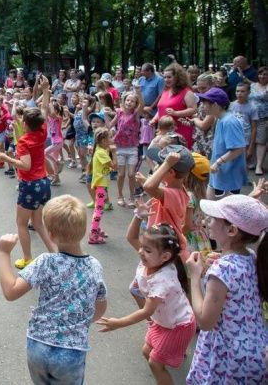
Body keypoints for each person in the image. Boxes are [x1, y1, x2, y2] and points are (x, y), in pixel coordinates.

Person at [0, 195, 107, 384]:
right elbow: (100, 305)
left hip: (38, 346)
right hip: (71, 353)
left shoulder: (46, 262)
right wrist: (82, 321)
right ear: (83, 230)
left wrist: (4, 252)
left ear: (51, 234)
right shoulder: (95, 266)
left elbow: (11, 292)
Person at [186, 195, 268, 384]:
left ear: (232, 230)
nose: (208, 221)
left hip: (227, 357)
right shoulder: (252, 256)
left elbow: (205, 321)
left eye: (214, 218)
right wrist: (221, 259)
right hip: (256, 351)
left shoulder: (222, 269)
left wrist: (195, 277)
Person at [100, 221, 195, 385]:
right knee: (146, 351)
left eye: (147, 249)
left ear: (165, 256)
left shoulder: (163, 279)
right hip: (164, 321)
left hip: (178, 325)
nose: (140, 251)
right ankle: (176, 352)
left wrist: (118, 323)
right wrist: (138, 217)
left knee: (155, 363)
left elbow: (146, 311)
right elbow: (131, 237)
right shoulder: (152, 260)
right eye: (142, 247)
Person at [0, 102, 57, 269]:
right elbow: (43, 110)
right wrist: (45, 92)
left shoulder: (24, 142)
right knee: (37, 223)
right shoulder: (42, 132)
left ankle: (28, 258)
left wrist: (5, 158)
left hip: (30, 185)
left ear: (26, 124)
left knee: (21, 223)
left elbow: (25, 165)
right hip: (44, 183)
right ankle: (56, 254)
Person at [197, 87, 247, 199]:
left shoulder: (229, 122)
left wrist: (219, 162)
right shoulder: (220, 119)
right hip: (221, 170)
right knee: (211, 198)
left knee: (226, 205)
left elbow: (238, 148)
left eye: (205, 103)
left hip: (229, 171)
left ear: (215, 105)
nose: (203, 106)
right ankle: (210, 217)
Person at [151, 63, 197, 149]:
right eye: (164, 77)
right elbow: (161, 108)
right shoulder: (165, 90)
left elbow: (193, 109)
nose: (166, 80)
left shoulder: (186, 91)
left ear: (177, 77)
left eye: (169, 77)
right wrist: (154, 119)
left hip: (179, 132)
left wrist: (176, 113)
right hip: (163, 131)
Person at [111, 88, 143, 208]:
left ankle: (132, 197)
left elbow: (142, 105)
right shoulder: (119, 112)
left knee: (131, 174)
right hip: (119, 147)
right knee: (120, 174)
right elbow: (111, 124)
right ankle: (120, 196)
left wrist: (139, 94)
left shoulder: (135, 114)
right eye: (127, 100)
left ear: (136, 104)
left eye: (132, 101)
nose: (129, 102)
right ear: (124, 101)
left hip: (132, 148)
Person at [88, 128, 117, 244]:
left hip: (101, 184)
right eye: (109, 137)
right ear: (103, 140)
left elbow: (107, 168)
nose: (111, 139)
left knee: (98, 209)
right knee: (98, 210)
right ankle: (93, 234)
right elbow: (114, 166)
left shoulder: (101, 150)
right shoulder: (101, 152)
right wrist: (114, 153)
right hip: (100, 185)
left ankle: (95, 229)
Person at [229, 82, 259, 168]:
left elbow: (254, 128)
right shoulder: (231, 105)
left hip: (245, 138)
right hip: (233, 137)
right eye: (237, 91)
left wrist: (251, 147)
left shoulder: (252, 107)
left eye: (242, 91)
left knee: (243, 164)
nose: (239, 93)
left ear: (249, 92)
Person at [191, 73, 216, 158]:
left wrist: (194, 119)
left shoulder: (214, 101)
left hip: (209, 142)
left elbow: (204, 125)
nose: (201, 91)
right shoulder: (205, 99)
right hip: (200, 140)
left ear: (212, 85)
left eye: (204, 88)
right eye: (199, 88)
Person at [250, 66, 268, 175]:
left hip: (263, 117)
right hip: (250, 117)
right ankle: (251, 161)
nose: (262, 76)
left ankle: (259, 166)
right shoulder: (252, 86)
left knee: (261, 141)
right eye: (261, 74)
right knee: (249, 140)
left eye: (265, 74)